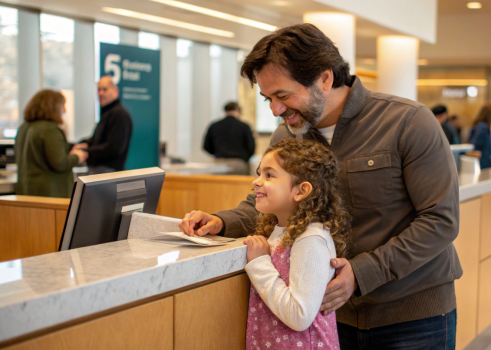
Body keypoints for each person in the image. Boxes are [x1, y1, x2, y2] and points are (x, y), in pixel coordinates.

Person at [179, 23, 461, 349]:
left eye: (283, 95)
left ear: (324, 79)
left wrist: (362, 272)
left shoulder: (407, 122)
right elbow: (269, 205)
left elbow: (441, 221)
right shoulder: (286, 135)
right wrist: (221, 221)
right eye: (268, 98)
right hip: (328, 320)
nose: (275, 110)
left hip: (410, 318)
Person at [242, 138, 350, 350]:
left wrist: (260, 263)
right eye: (259, 173)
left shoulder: (311, 239)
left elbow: (300, 316)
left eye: (269, 175)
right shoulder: (280, 231)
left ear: (301, 191)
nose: (256, 181)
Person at [15, 90, 88, 198]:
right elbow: (60, 163)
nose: (64, 110)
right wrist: (77, 157)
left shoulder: (23, 128)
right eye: (63, 105)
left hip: (26, 191)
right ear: (54, 107)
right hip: (49, 195)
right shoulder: (50, 129)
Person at [73, 76, 132, 175]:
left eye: (104, 89)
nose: (100, 93)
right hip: (99, 171)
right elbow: (96, 140)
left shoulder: (119, 114)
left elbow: (113, 148)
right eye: (98, 89)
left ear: (115, 90)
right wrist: (83, 145)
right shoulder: (107, 113)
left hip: (108, 173)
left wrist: (86, 151)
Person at [203, 101, 256, 175]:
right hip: (239, 164)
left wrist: (218, 153)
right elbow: (251, 147)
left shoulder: (214, 125)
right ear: (237, 110)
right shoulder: (244, 126)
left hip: (219, 164)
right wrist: (244, 158)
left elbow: (206, 146)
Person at [469, 103, 491, 170]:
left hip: (484, 164)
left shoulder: (485, 126)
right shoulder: (482, 127)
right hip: (481, 164)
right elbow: (474, 145)